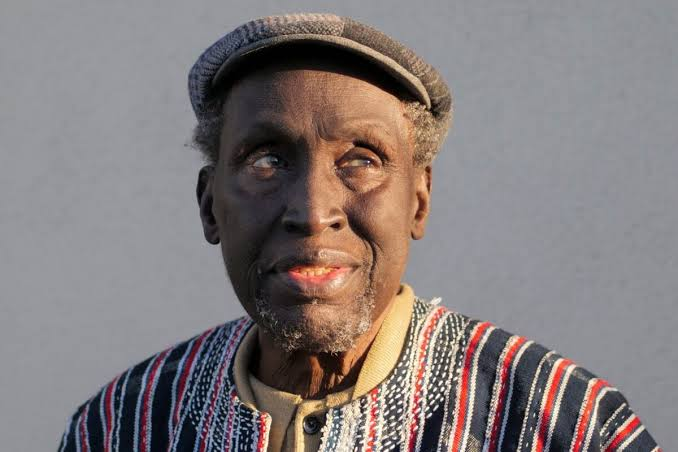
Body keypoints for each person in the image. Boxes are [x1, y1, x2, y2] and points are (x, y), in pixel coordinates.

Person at [58, 13, 660, 452]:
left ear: (419, 201)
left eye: (361, 160)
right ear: (209, 206)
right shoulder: (121, 426)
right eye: (267, 160)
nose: (312, 210)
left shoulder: (562, 423)